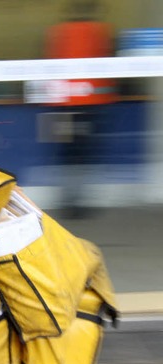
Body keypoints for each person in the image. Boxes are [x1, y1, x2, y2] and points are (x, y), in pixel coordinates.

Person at [43, 0, 117, 218]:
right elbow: (109, 64)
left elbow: (47, 64)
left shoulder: (56, 32)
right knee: (84, 154)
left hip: (60, 103)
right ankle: (79, 201)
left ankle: (67, 201)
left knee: (65, 154)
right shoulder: (101, 31)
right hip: (91, 103)